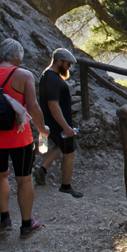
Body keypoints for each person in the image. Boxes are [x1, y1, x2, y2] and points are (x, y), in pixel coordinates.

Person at [0, 39, 49, 239]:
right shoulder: (24, 75)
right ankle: (26, 224)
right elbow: (33, 107)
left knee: (0, 175)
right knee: (24, 178)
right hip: (20, 139)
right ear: (18, 56)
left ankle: (4, 219)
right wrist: (42, 128)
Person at [33, 48, 82, 197]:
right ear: (59, 62)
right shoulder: (53, 79)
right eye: (68, 64)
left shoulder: (46, 75)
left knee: (59, 146)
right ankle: (66, 186)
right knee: (69, 152)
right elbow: (53, 105)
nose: (69, 67)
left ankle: (42, 170)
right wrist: (66, 127)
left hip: (53, 122)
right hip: (59, 124)